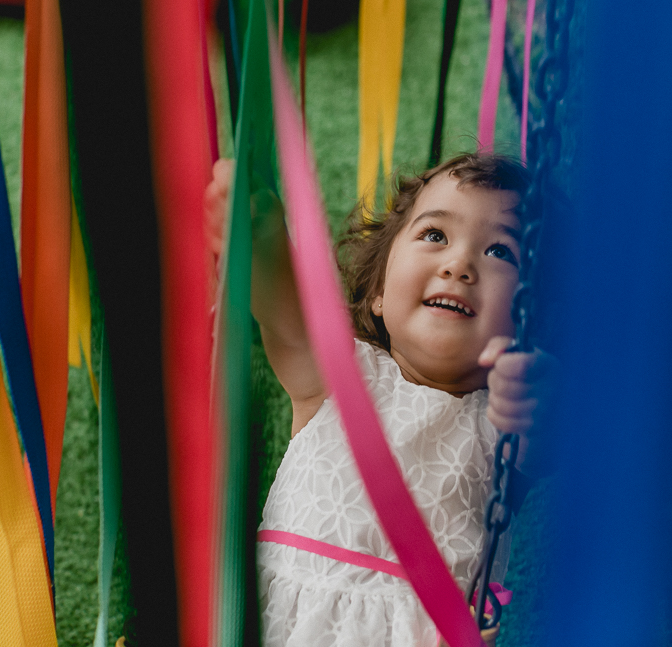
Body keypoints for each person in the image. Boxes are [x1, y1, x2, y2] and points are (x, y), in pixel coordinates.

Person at [204, 152, 551, 647]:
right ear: (378, 293)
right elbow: (286, 311)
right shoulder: (337, 375)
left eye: (502, 252)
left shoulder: (501, 424)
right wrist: (260, 240)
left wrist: (540, 393)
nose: (459, 264)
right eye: (435, 235)